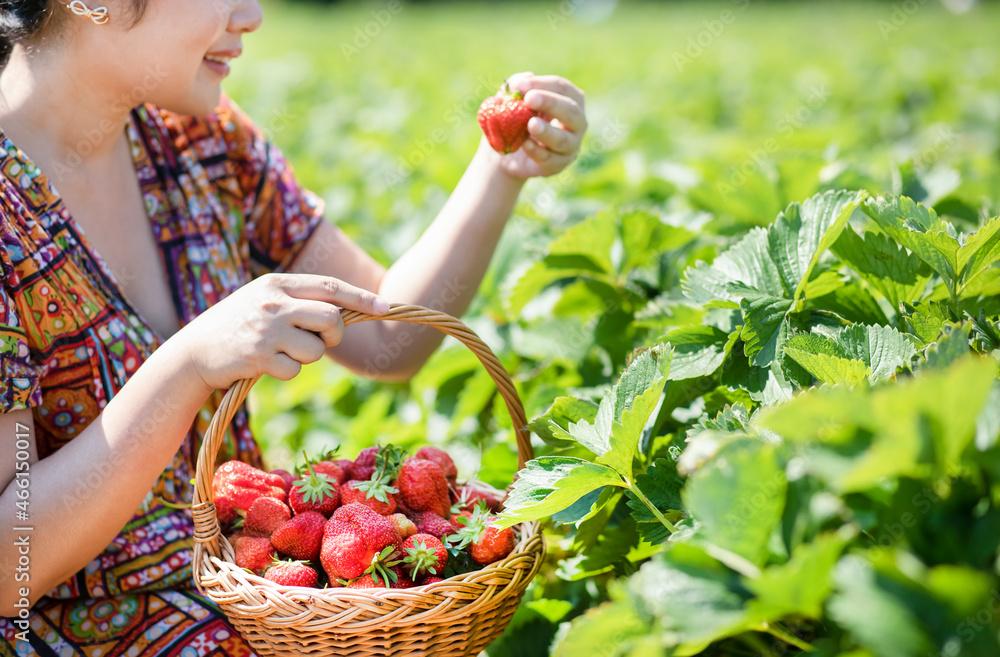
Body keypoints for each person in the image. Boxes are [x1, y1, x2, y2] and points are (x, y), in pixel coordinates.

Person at [0, 0, 588, 652]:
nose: (251, 14)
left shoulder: (204, 142)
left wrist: (500, 166)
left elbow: (385, 335)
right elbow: (8, 567)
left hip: (261, 602)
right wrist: (189, 363)